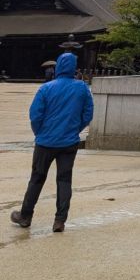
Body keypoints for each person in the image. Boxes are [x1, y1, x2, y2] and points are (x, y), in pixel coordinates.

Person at [10, 52, 93, 233]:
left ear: (58, 68)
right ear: (73, 68)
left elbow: (35, 115)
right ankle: (59, 221)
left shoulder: (46, 88)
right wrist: (75, 129)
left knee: (37, 178)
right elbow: (88, 114)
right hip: (69, 142)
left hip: (45, 142)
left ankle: (25, 216)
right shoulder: (82, 88)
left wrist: (39, 132)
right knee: (64, 180)